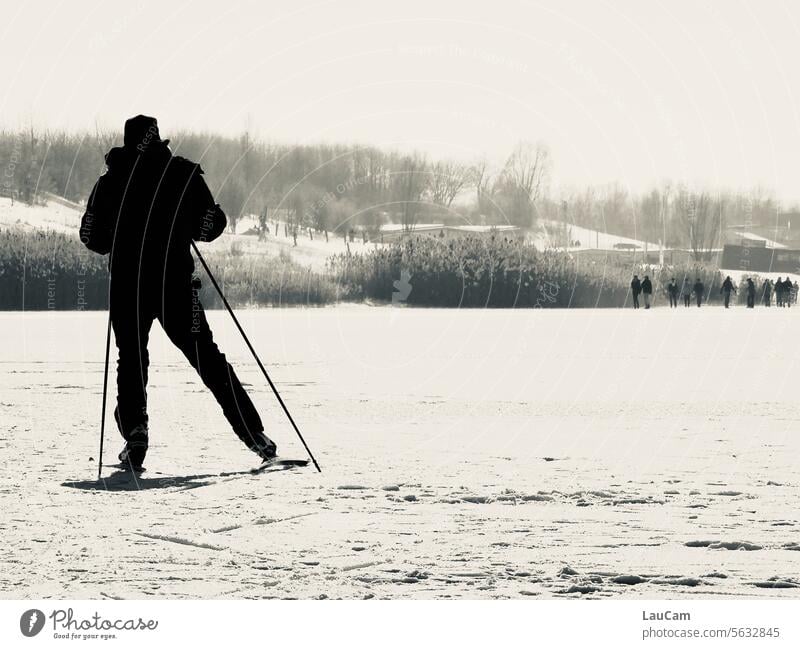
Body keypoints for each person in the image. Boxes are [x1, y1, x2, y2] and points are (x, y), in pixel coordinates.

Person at [79, 115, 277, 470]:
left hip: (129, 289)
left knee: (132, 360)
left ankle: (135, 433)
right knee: (208, 358)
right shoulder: (182, 174)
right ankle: (254, 435)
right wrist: (191, 223)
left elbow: (93, 238)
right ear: (158, 139)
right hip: (176, 287)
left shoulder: (110, 182)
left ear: (128, 143)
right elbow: (211, 224)